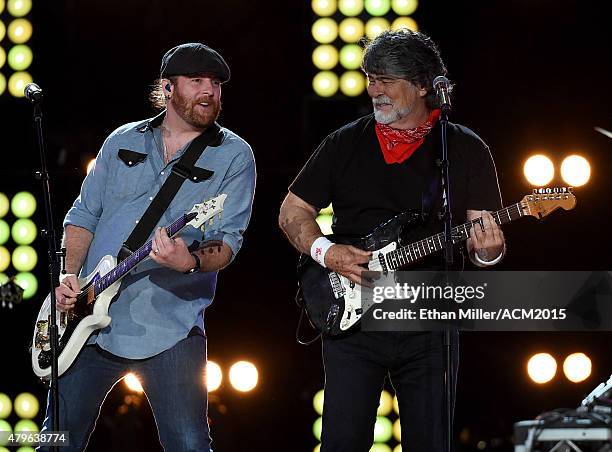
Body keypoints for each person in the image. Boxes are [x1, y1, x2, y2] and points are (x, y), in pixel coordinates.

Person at [279, 30, 505, 451]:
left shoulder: (464, 148)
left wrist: (488, 252)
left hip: (430, 324)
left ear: (423, 84)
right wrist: (327, 253)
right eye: (371, 78)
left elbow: (483, 239)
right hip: (355, 319)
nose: (375, 90)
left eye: (386, 79)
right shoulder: (345, 142)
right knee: (342, 442)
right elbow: (292, 211)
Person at [39, 43, 256, 452]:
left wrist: (188, 261)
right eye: (197, 81)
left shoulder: (235, 155)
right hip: (89, 323)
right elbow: (84, 215)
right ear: (168, 88)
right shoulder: (123, 138)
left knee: (190, 446)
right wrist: (69, 276)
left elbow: (228, 241)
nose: (210, 91)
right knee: (54, 440)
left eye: (216, 84)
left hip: (171, 328)